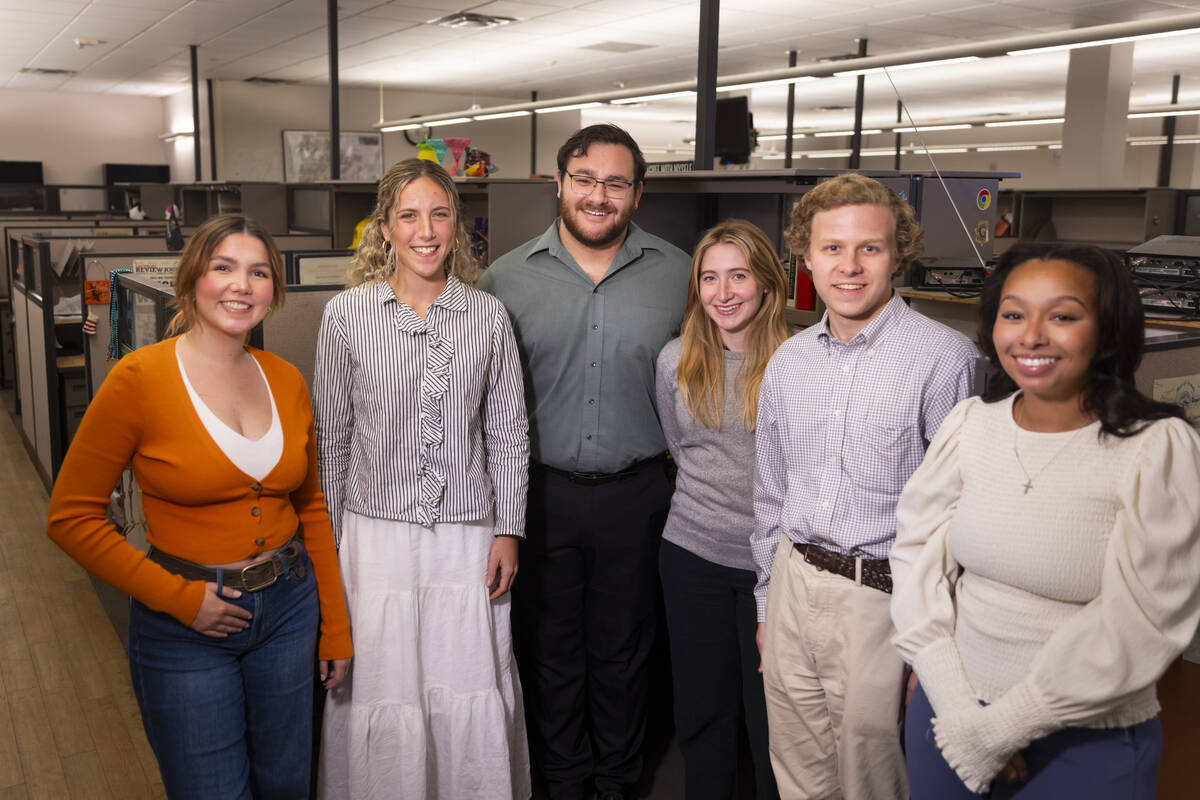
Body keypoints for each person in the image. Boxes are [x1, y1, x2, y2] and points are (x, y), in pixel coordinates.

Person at [46, 213, 353, 799]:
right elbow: (70, 518)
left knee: (287, 785)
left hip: (290, 611)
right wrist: (180, 599)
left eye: (258, 272)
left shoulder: (285, 377)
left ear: (273, 290)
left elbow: (311, 507)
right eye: (224, 268)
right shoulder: (139, 377)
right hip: (185, 626)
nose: (242, 285)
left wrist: (334, 627)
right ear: (191, 281)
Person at [890, 242, 1200, 798]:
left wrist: (1003, 729)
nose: (1031, 335)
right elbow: (915, 560)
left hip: (1083, 742)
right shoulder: (971, 425)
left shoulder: (1155, 447)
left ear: (1107, 329)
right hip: (951, 718)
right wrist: (960, 709)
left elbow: (1146, 618)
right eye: (1014, 314)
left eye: (1062, 316)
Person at [478, 123, 690, 800]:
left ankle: (620, 785)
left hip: (640, 496)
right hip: (539, 497)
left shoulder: (681, 274)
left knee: (626, 655)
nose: (599, 196)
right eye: (585, 179)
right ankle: (563, 785)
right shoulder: (503, 280)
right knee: (549, 655)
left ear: (637, 193)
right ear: (560, 184)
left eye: (616, 183)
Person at [751, 173, 978, 799]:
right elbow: (770, 495)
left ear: (898, 254)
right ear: (806, 255)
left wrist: (935, 644)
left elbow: (960, 518)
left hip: (882, 599)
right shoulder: (789, 362)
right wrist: (768, 605)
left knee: (873, 779)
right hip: (794, 582)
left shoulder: (944, 358)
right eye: (832, 248)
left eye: (869, 248)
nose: (849, 266)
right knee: (796, 769)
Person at [313, 158, 530, 800]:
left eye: (439, 214)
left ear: (456, 226)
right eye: (408, 215)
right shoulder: (345, 317)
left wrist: (510, 530)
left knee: (464, 680)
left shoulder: (488, 316)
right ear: (384, 228)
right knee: (381, 686)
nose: (425, 230)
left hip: (467, 537)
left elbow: (509, 433)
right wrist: (327, 556)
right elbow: (332, 442)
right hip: (371, 539)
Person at [655, 220, 788, 800]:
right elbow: (679, 448)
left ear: (766, 283)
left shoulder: (798, 362)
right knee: (702, 714)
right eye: (710, 277)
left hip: (775, 567)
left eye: (738, 275)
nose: (724, 292)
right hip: (692, 555)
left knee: (772, 721)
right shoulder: (674, 360)